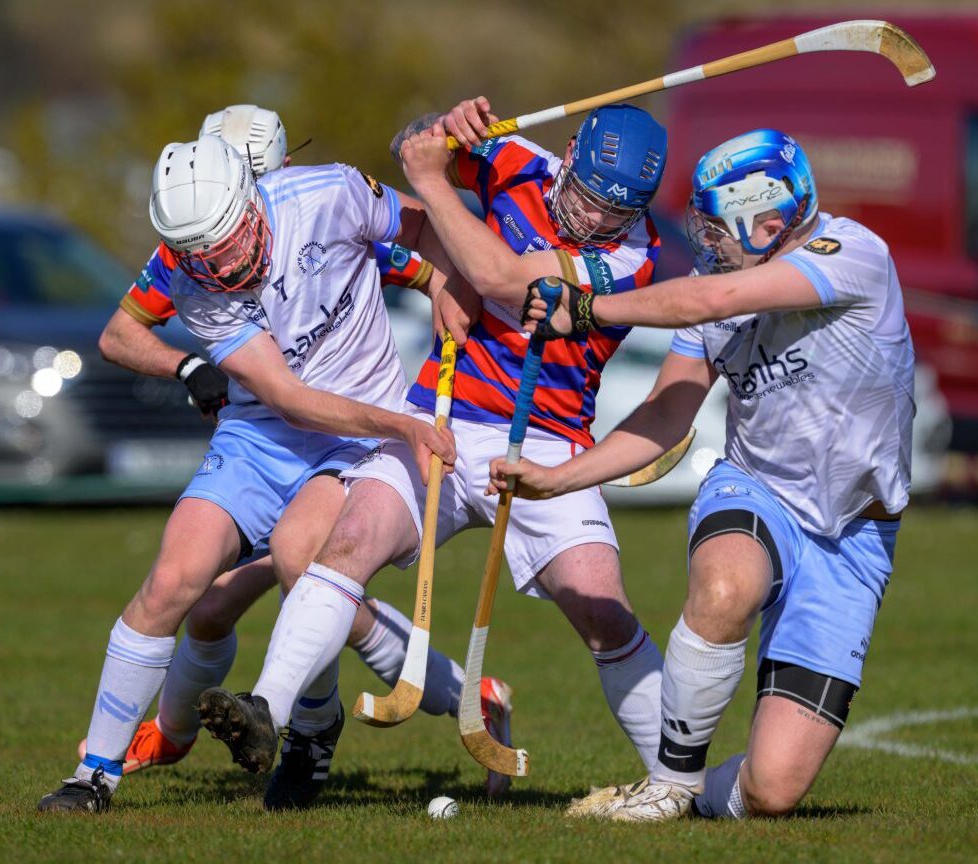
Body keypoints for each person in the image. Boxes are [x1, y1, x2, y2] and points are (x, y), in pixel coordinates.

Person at [195, 98, 670, 785]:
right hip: (441, 415)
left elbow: (505, 278)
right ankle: (267, 707)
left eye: (616, 211)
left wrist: (436, 184)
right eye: (592, 199)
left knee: (603, 610)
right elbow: (411, 142)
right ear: (570, 153)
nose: (596, 220)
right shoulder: (516, 162)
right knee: (349, 543)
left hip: (547, 440)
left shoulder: (634, 256)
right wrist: (445, 126)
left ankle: (675, 780)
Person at [493, 129, 914, 821]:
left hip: (856, 539)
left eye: (718, 225)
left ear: (769, 221)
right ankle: (669, 781)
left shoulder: (851, 255)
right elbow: (665, 417)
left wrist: (586, 309)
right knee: (725, 585)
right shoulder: (711, 288)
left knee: (773, 791)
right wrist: (558, 477)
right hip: (758, 490)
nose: (706, 239)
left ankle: (689, 795)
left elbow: (711, 302)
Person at [37, 135, 459, 814]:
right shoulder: (193, 281)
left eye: (226, 240)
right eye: (200, 252)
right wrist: (404, 427)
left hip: (352, 439)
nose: (220, 262)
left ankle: (314, 732)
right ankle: (94, 773)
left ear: (250, 198)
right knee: (175, 578)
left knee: (301, 561)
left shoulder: (331, 193)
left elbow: (428, 226)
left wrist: (448, 284)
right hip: (265, 429)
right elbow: (288, 397)